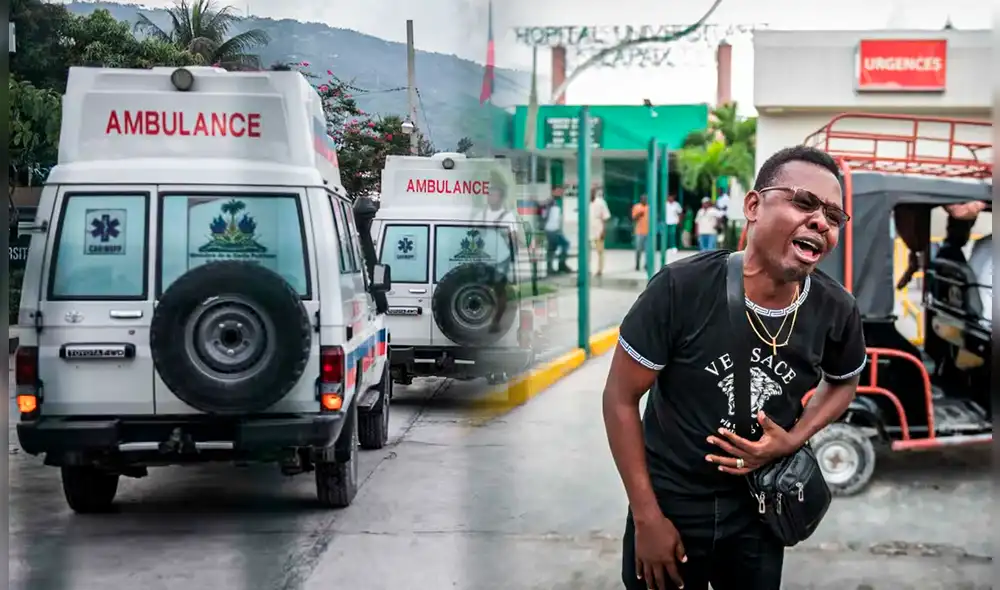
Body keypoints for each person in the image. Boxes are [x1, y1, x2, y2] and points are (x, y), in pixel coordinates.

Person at [603, 145, 866, 590]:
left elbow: (844, 382)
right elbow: (620, 398)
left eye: (834, 216)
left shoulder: (836, 308)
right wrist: (648, 518)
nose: (821, 221)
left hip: (760, 510)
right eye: (803, 202)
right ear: (752, 206)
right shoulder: (680, 289)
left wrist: (792, 440)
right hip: (672, 502)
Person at [543, 196, 572, 275]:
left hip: (550, 230)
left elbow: (545, 218)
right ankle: (561, 264)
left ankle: (551, 268)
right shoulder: (556, 209)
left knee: (552, 248)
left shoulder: (547, 210)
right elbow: (556, 222)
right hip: (553, 230)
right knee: (564, 244)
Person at [590, 186, 612, 277]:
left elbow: (605, 217)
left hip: (598, 229)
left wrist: (603, 230)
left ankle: (600, 269)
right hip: (587, 230)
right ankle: (586, 269)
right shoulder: (584, 202)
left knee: (600, 251)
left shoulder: (601, 202)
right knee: (586, 251)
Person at [632, 194, 650, 271]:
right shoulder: (637, 207)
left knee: (648, 249)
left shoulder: (649, 207)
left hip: (648, 232)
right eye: (643, 199)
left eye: (645, 199)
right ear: (640, 199)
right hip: (639, 231)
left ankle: (646, 264)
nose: (644, 200)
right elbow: (633, 218)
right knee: (638, 249)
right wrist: (639, 214)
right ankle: (637, 264)